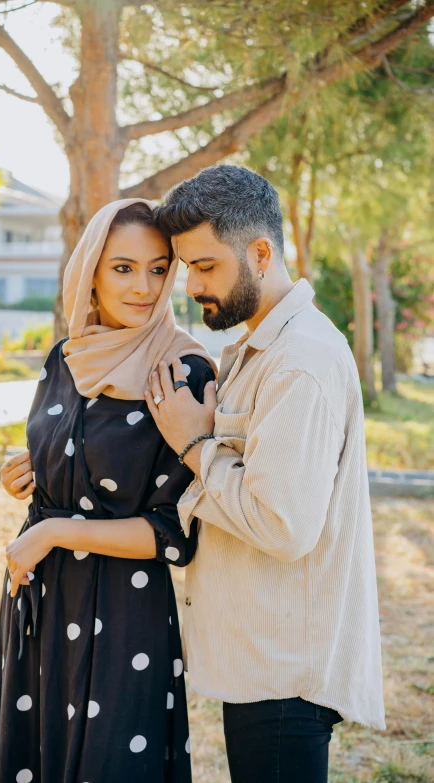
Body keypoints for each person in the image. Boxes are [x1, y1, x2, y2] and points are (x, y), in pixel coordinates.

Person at [147, 165, 386, 783]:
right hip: (263, 657)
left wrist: (195, 443)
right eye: (187, 268)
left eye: (206, 266)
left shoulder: (299, 361)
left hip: (285, 674)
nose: (193, 285)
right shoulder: (267, 347)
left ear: (259, 252)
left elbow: (283, 527)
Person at [0, 198, 216, 783]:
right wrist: (31, 472)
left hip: (123, 610)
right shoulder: (66, 357)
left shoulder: (183, 371)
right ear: (90, 271)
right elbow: (63, 462)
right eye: (123, 267)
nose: (144, 287)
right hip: (39, 599)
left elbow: (173, 533)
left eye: (159, 268)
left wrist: (55, 529)